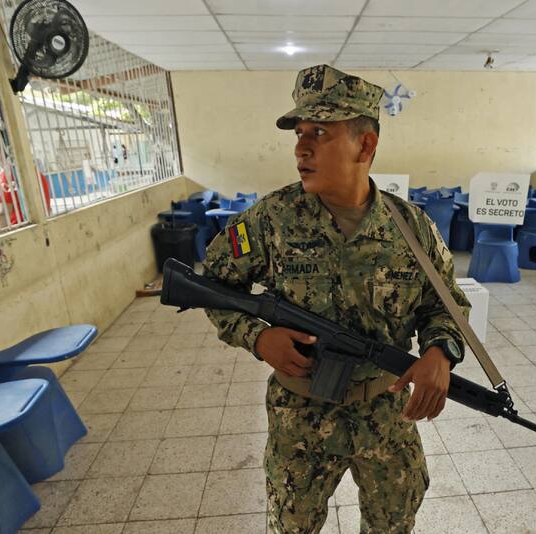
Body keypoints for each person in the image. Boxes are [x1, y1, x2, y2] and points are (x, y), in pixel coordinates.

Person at [200, 65, 470, 533]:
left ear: (366, 145)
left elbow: (445, 305)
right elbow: (214, 287)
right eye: (300, 133)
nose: (302, 148)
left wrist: (438, 352)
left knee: (393, 523)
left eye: (321, 133)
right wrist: (258, 339)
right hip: (300, 417)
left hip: (386, 413)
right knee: (292, 527)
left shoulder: (411, 227)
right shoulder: (270, 220)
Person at [0, 135, 51, 227]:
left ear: (4, 150)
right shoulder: (36, 173)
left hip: (19, 232)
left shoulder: (7, 175)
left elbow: (1, 212)